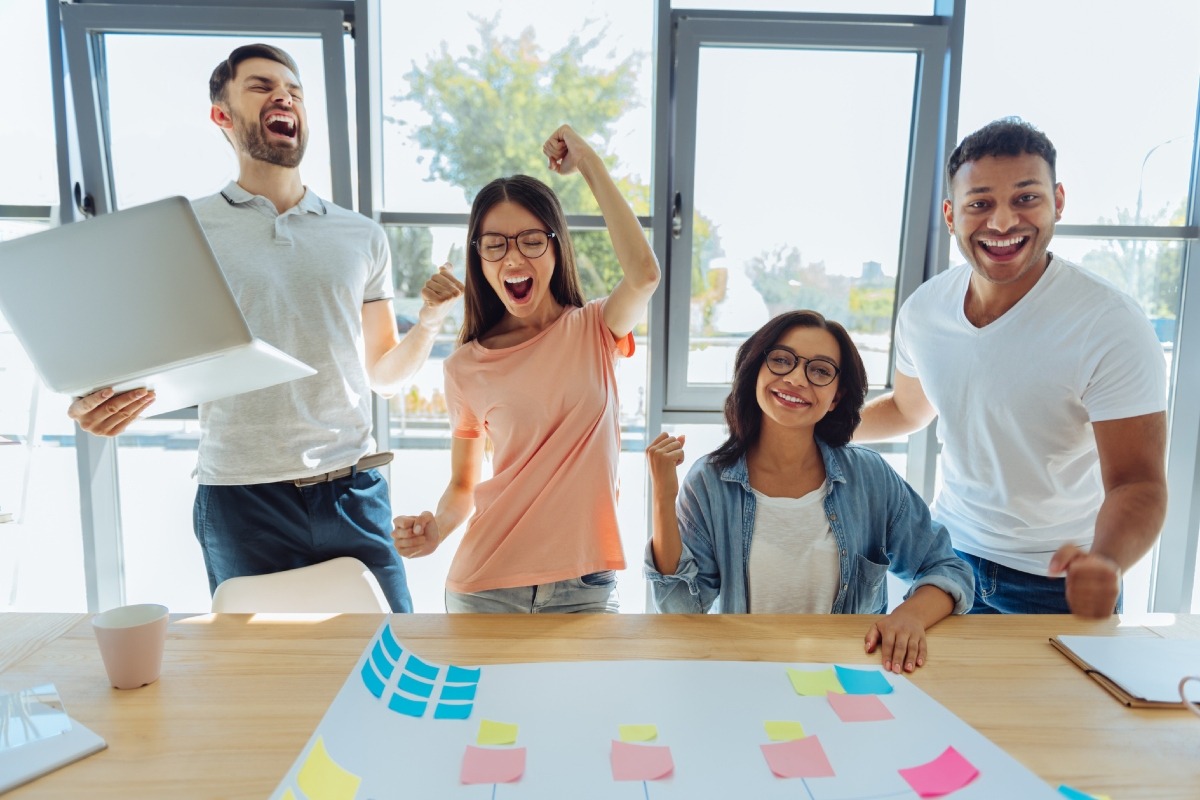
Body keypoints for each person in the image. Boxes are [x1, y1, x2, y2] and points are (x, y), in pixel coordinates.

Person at [67, 43, 464, 612]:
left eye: (294, 90)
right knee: (253, 680)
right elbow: (127, 349)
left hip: (353, 491)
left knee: (393, 657)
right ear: (221, 115)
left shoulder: (360, 236)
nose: (284, 95)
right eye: (260, 86)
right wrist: (92, 400)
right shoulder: (186, 229)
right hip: (240, 499)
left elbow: (384, 376)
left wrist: (427, 323)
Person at [856, 117, 1168, 618]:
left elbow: (1137, 483)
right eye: (979, 203)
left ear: (1058, 202)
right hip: (944, 561)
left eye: (1026, 198)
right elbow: (908, 410)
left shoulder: (1110, 324)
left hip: (1060, 580)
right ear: (951, 214)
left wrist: (1106, 561)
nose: (1002, 223)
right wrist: (817, 425)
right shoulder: (924, 311)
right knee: (917, 697)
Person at [391, 124, 660, 614]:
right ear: (479, 258)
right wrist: (436, 527)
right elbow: (463, 485)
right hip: (485, 586)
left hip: (585, 586)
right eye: (495, 244)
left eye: (532, 240)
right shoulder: (463, 367)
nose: (513, 256)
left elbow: (644, 273)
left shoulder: (595, 329)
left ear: (556, 248)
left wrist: (588, 162)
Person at [644, 310, 973, 673]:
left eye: (819, 370)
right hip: (747, 673)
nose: (797, 378)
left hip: (848, 677)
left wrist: (910, 616)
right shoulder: (709, 481)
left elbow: (947, 568)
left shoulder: (870, 478)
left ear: (836, 396)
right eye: (782, 360)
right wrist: (663, 495)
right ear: (756, 370)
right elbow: (681, 610)